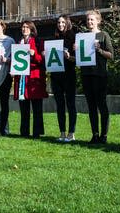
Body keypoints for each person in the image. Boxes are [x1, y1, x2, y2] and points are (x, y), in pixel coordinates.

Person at [79, 10, 114, 144]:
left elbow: (111, 55)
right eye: (88, 20)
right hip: (86, 74)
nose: (90, 22)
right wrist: (77, 50)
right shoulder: (83, 36)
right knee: (91, 106)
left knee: (102, 105)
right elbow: (79, 58)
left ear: (98, 21)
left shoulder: (103, 35)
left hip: (99, 74)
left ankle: (104, 135)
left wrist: (99, 49)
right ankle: (95, 134)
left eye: (92, 19)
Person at [14, 20, 47, 138]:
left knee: (37, 108)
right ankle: (24, 132)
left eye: (27, 27)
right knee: (24, 107)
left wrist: (34, 54)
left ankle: (37, 132)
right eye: (23, 27)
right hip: (22, 78)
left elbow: (41, 60)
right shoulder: (19, 42)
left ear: (32, 29)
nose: (24, 29)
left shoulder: (38, 42)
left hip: (34, 78)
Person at [52, 14, 77, 142]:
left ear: (67, 23)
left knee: (71, 104)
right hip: (56, 76)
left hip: (69, 75)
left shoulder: (74, 37)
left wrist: (69, 57)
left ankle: (71, 133)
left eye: (62, 22)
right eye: (58, 22)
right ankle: (62, 132)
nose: (60, 24)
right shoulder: (55, 37)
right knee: (60, 105)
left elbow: (77, 59)